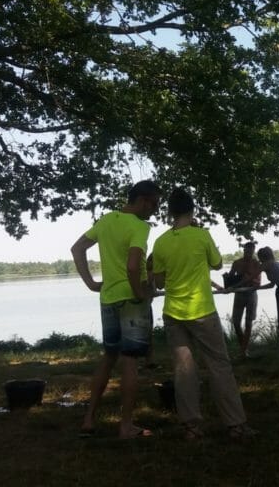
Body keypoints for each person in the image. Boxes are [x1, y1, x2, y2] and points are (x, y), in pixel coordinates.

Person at [150, 187, 256, 441]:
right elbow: (217, 264)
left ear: (170, 212)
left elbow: (160, 282)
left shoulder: (160, 242)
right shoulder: (201, 235)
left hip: (173, 313)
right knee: (219, 365)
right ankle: (235, 425)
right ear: (192, 210)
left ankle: (192, 427)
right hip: (202, 311)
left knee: (184, 370)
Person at [70, 180, 161, 440]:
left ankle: (88, 420)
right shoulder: (140, 226)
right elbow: (133, 266)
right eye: (154, 204)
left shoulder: (106, 220)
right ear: (142, 200)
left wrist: (91, 283)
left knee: (109, 357)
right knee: (130, 360)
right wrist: (140, 293)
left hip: (108, 299)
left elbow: (77, 249)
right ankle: (126, 426)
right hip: (131, 301)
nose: (155, 210)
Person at [226, 242, 263, 358]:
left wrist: (249, 280)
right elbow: (231, 278)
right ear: (244, 250)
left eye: (251, 251)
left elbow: (258, 282)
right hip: (239, 294)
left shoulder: (256, 263)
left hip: (251, 294)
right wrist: (227, 280)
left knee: (248, 322)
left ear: (253, 251)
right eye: (247, 251)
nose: (248, 253)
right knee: (236, 322)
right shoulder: (237, 263)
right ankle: (244, 347)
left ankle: (243, 350)